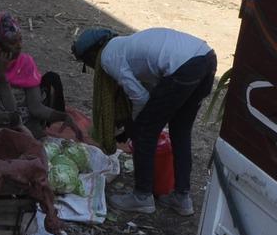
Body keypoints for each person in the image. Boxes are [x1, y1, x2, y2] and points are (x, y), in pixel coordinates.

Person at [71, 26, 216, 217]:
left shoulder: (107, 56)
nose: (93, 67)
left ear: (92, 53)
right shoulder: (127, 46)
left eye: (88, 62)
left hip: (185, 67)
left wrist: (135, 126)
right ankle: (182, 197)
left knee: (145, 132)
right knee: (180, 132)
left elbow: (140, 97)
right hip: (206, 58)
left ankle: (142, 197)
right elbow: (154, 90)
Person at [0, 12, 65, 127]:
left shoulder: (25, 63)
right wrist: (1, 75)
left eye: (20, 40)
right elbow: (10, 112)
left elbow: (35, 107)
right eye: (12, 42)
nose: (19, 46)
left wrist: (63, 117)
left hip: (26, 126)